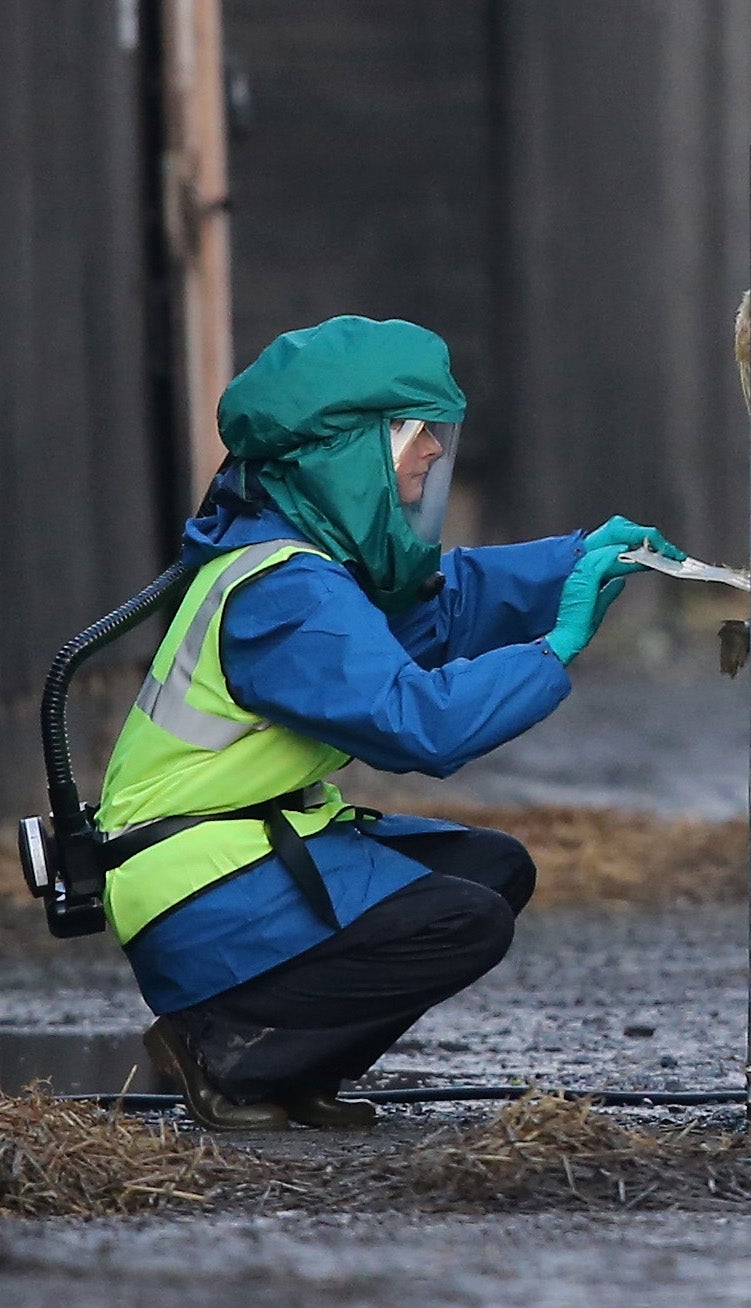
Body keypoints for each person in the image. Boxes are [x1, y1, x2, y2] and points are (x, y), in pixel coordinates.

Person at [96, 314, 684, 1130]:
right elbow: (419, 726)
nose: (436, 453)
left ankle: (294, 1067)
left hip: (240, 855)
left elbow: (435, 610)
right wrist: (552, 651)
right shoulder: (284, 591)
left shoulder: (304, 560)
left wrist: (575, 561)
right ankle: (227, 1050)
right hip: (198, 887)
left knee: (489, 869)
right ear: (349, 449)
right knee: (461, 918)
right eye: (415, 432)